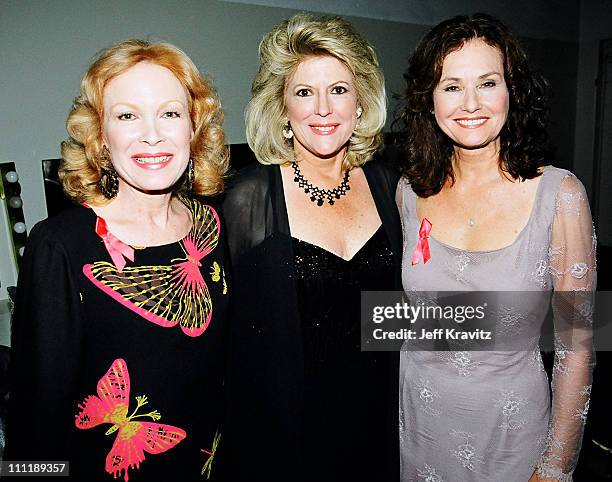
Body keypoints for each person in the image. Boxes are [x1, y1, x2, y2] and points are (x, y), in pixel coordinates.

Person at [5, 40, 230, 481]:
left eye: (169, 113)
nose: (152, 134)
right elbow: (35, 415)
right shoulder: (61, 247)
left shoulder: (213, 226)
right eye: (127, 116)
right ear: (101, 137)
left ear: (193, 127)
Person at [395, 13, 596, 482]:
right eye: (451, 86)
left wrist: (555, 466)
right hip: (420, 431)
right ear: (429, 100)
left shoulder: (560, 195)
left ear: (513, 91)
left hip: (513, 438)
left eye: (487, 83)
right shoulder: (410, 191)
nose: (470, 104)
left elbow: (578, 345)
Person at [222, 13, 401, 481]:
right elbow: (221, 338)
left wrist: (538, 328)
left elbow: (404, 314)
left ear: (360, 102)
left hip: (379, 427)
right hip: (286, 439)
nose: (323, 108)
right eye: (304, 92)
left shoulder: (391, 188)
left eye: (338, 89)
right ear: (282, 108)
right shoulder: (249, 199)